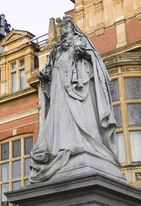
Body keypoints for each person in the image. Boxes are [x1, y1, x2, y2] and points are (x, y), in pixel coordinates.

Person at [29, 15, 119, 183]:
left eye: (65, 27)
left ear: (71, 28)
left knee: (77, 112)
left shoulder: (80, 40)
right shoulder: (56, 49)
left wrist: (84, 53)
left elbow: (95, 60)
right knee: (60, 115)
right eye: (61, 28)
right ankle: (63, 145)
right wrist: (44, 75)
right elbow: (48, 67)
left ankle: (81, 142)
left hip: (76, 83)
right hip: (58, 84)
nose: (62, 30)